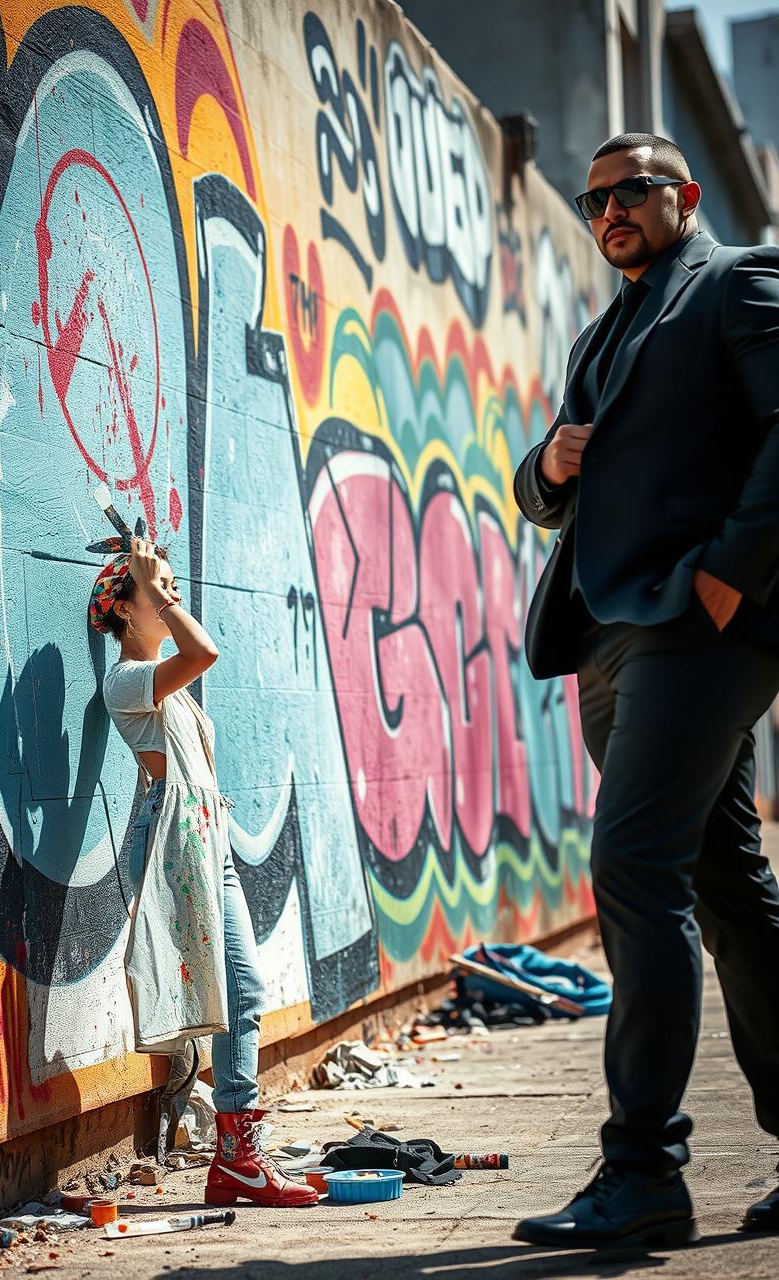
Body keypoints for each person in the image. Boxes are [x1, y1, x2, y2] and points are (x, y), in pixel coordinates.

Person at [512, 133, 779, 1248]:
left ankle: (643, 1170)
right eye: (593, 200)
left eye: (630, 191)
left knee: (632, 865)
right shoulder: (602, 330)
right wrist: (548, 467)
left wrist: (727, 574)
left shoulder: (735, 280)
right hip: (609, 639)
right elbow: (544, 494)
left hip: (694, 626)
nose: (609, 210)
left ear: (684, 195)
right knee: (724, 886)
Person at [89, 535, 317, 1208]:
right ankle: (236, 1156)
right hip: (172, 842)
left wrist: (152, 578)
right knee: (222, 997)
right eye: (156, 592)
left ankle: (238, 1158)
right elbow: (205, 651)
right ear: (126, 610)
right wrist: (151, 581)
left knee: (245, 994)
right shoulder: (126, 679)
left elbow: (196, 669)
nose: (171, 594)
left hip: (204, 840)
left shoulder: (175, 691)